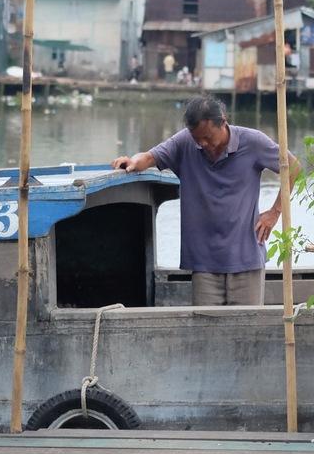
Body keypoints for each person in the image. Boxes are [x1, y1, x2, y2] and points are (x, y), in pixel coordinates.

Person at [111, 95, 299, 306]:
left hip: (246, 258)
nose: (203, 143)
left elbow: (293, 168)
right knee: (207, 331)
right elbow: (149, 157)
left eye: (208, 137)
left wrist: (274, 213)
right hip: (204, 263)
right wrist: (132, 162)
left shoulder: (253, 142)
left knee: (246, 329)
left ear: (223, 122)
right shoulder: (184, 142)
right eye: (197, 138)